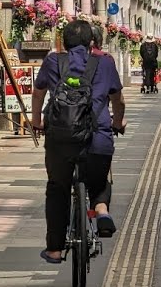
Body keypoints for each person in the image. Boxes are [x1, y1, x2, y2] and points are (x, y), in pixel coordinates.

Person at [32, 20, 126, 265]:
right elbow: (118, 100)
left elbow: (38, 93)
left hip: (60, 139)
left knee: (57, 188)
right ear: (91, 42)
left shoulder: (53, 61)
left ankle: (54, 249)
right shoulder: (105, 63)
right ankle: (102, 211)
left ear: (62, 41)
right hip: (98, 138)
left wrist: (36, 122)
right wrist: (118, 122)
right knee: (98, 180)